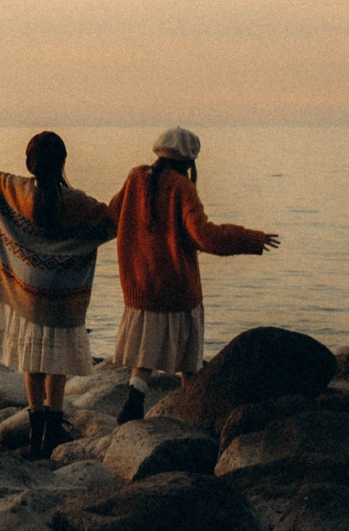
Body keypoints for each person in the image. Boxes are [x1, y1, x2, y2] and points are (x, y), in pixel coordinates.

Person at [0, 123, 115, 459]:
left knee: (33, 362)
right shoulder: (78, 202)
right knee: (57, 363)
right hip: (63, 301)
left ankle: (36, 428)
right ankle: (54, 429)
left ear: (30, 164)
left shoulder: (15, 190)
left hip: (27, 297)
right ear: (63, 163)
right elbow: (111, 222)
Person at [106, 125, 280, 421]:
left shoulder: (136, 177)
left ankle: (135, 398)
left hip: (140, 288)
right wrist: (250, 238)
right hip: (176, 287)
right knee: (189, 356)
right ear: (189, 161)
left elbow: (111, 216)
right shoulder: (182, 187)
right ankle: (193, 407)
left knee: (145, 350)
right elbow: (204, 236)